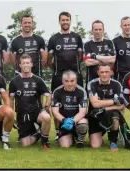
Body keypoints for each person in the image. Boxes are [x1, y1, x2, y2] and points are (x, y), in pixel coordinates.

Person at [48, 11, 84, 142]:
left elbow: (80, 57)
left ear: (70, 21)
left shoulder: (77, 37)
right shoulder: (53, 39)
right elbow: (49, 59)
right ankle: (59, 132)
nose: (65, 22)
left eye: (67, 20)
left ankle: (76, 129)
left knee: (76, 103)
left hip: (76, 75)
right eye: (62, 20)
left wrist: (72, 71)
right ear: (59, 22)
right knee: (58, 105)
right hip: (58, 76)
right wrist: (60, 71)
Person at [9, 54, 52, 150]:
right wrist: (11, 116)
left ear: (31, 64)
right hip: (22, 114)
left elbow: (49, 95)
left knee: (46, 117)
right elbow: (11, 100)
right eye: (23, 63)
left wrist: (45, 108)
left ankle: (45, 141)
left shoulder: (38, 80)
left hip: (36, 111)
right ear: (19, 65)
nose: (25, 65)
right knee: (25, 144)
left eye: (28, 63)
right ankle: (38, 133)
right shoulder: (14, 81)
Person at [86, 63, 124, 151]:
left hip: (110, 113)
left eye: (107, 72)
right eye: (102, 72)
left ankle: (113, 141)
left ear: (111, 72)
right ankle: (101, 135)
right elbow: (95, 104)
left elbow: (121, 105)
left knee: (115, 116)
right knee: (95, 145)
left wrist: (104, 108)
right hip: (95, 115)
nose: (104, 74)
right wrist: (114, 101)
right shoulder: (92, 84)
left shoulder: (117, 84)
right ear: (98, 73)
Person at [51, 71, 89, 148]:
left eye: (72, 81)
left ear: (76, 81)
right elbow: (55, 112)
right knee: (65, 146)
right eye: (66, 81)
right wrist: (65, 120)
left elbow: (82, 112)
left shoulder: (81, 91)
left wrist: (72, 121)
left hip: (77, 120)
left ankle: (80, 140)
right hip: (64, 122)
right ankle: (70, 136)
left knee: (83, 122)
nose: (69, 84)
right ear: (62, 81)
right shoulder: (57, 91)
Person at [83, 20, 116, 85]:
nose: (98, 32)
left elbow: (113, 59)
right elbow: (88, 62)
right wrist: (106, 59)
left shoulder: (109, 43)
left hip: (108, 81)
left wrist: (95, 57)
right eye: (96, 29)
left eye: (100, 29)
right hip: (92, 80)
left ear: (103, 30)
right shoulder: (87, 44)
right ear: (92, 31)